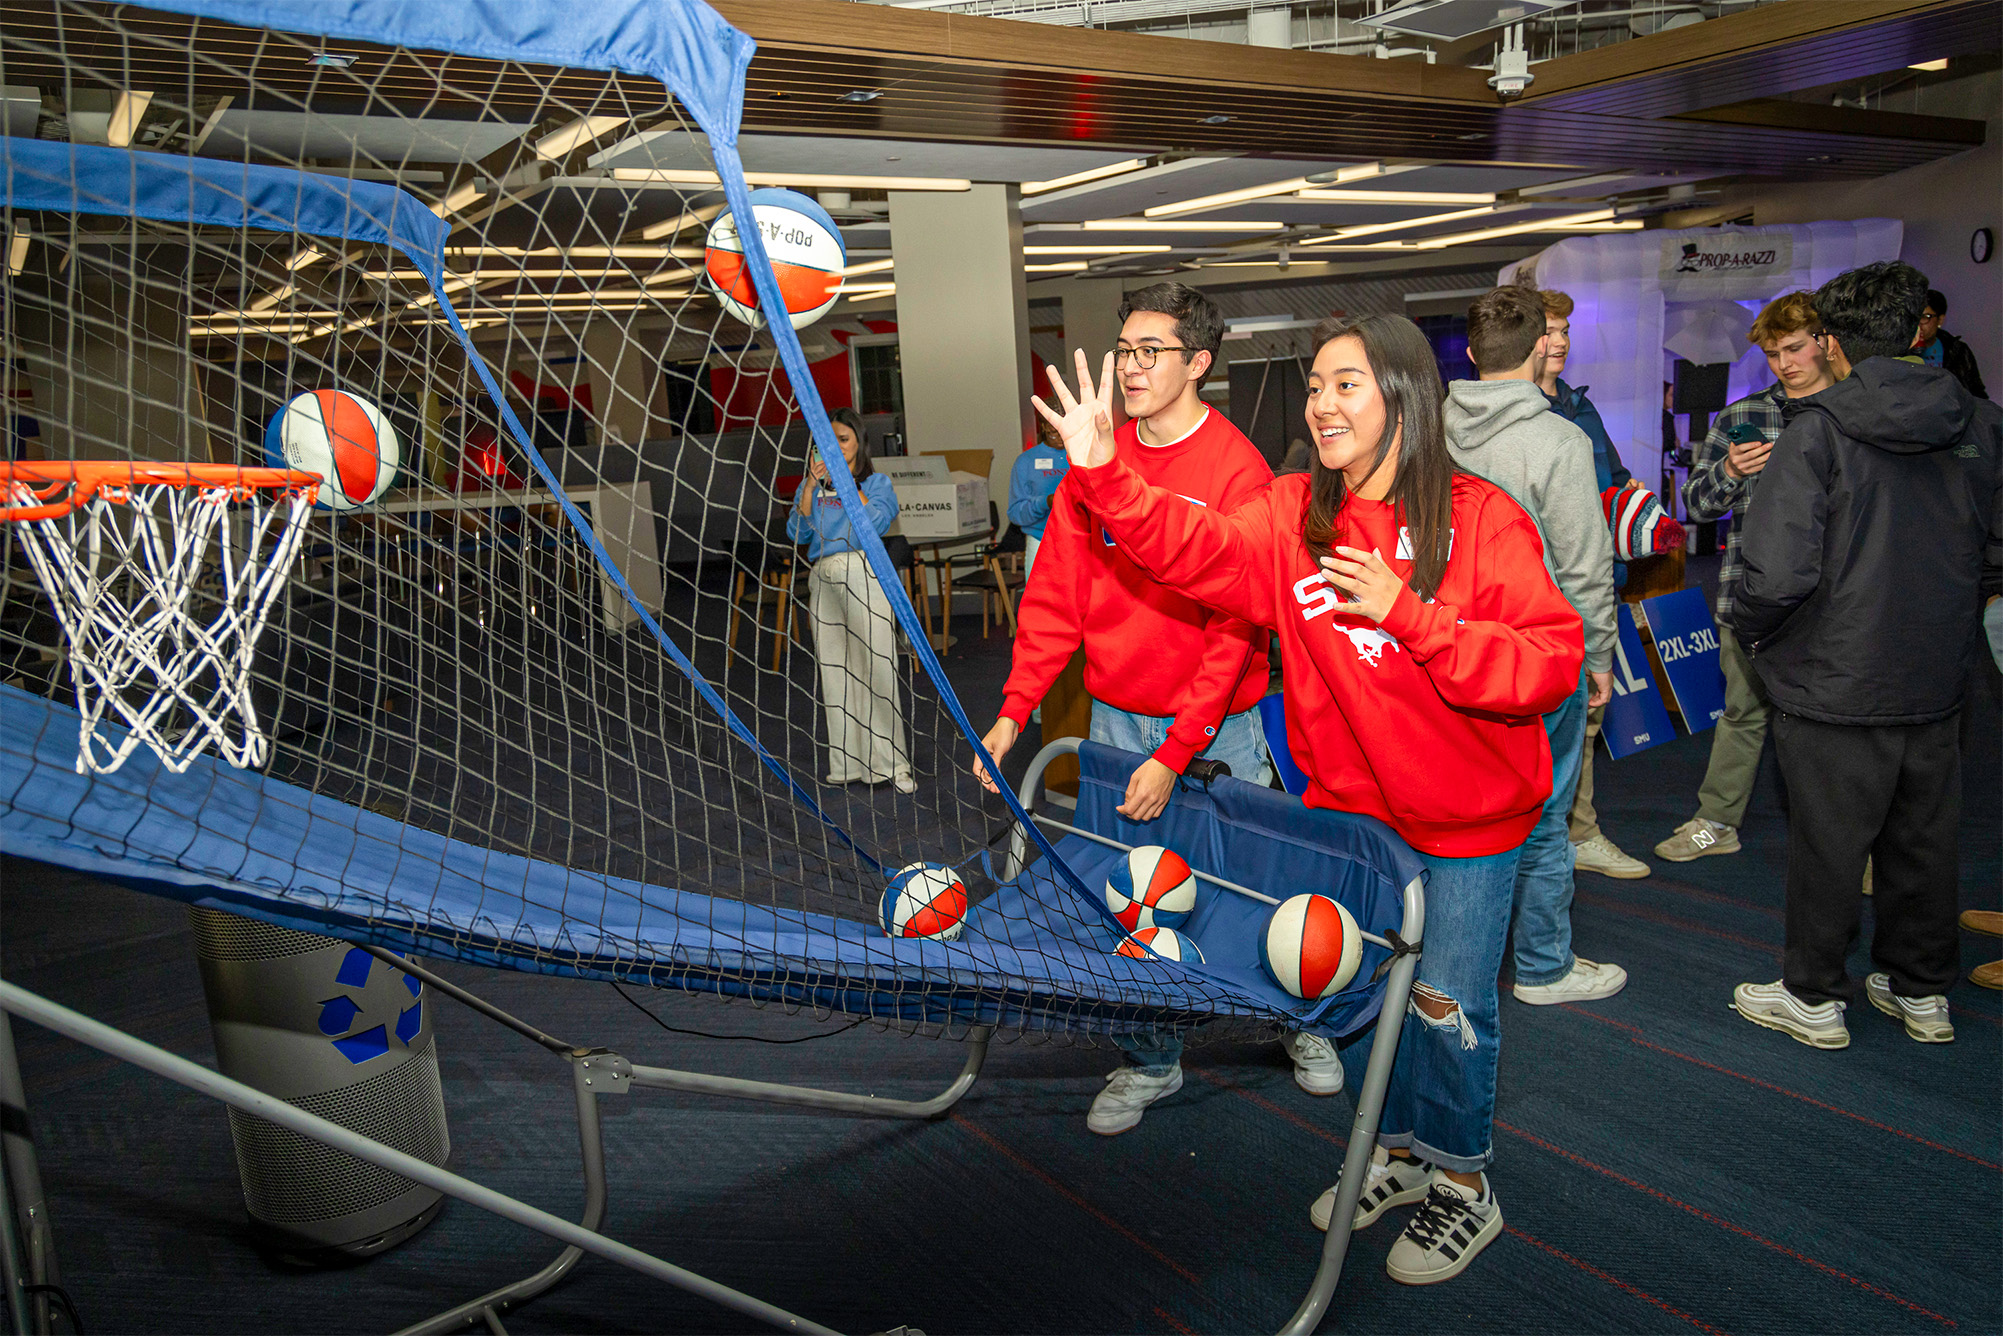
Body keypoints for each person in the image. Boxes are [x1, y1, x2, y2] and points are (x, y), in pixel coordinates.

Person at [1033, 314, 1581, 1286]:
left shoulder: (1479, 517)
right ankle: (1401, 1152)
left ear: (1401, 399)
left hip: (1465, 823)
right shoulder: (1291, 514)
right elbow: (1192, 549)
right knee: (1369, 1003)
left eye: (1345, 385)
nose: (1321, 404)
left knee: (1445, 1008)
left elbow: (1545, 665)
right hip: (1355, 825)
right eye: (1315, 385)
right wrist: (1102, 472)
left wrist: (1407, 614)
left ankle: (1462, 1183)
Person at [974, 282, 1292, 1131]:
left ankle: (1293, 1016)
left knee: (1249, 885)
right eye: (1125, 350)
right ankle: (1151, 1057)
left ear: (1199, 363)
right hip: (1116, 716)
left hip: (1217, 723)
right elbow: (1055, 595)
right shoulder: (1093, 460)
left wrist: (1176, 751)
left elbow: (1236, 629)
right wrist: (1015, 709)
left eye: (1152, 351)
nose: (1133, 366)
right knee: (1132, 896)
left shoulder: (1237, 472)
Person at [1730, 260, 2003, 1050]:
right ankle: (1921, 992)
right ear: (1922, 327)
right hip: (1937, 673)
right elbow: (1995, 552)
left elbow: (1775, 574)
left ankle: (1813, 996)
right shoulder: (1982, 424)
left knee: (1828, 843)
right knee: (1924, 838)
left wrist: (1758, 637)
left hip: (1833, 678)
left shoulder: (1814, 431)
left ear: (1834, 341)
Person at [1448, 286, 1625, 1006]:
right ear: (1537, 352)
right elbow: (1583, 566)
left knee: (1459, 811)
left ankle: (1454, 958)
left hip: (1446, 652)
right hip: (1533, 655)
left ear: (1468, 354)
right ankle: (1544, 966)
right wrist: (1600, 658)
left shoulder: (1426, 427)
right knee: (1544, 813)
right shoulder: (1559, 440)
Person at [1654, 292, 1835, 864]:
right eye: (1775, 353)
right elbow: (1696, 505)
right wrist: (1729, 470)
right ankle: (1717, 822)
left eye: (1796, 348)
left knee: (1841, 730)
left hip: (1838, 601)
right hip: (1751, 594)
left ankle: (1852, 843)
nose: (1786, 363)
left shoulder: (1855, 414)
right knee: (1743, 713)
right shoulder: (1745, 416)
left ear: (1825, 341)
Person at [1533, 289, 1652, 881]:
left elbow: (1616, 480)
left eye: (1565, 331)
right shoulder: (1522, 415)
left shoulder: (1581, 408)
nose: (1558, 342)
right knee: (1551, 729)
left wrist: (1638, 514)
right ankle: (1561, 839)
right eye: (1549, 330)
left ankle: (1578, 832)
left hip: (1594, 582)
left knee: (1587, 721)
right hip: (1542, 594)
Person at [787, 406, 915, 794]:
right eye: (827, 440)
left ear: (859, 443)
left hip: (862, 572)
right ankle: (848, 764)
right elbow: (798, 531)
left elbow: (875, 523)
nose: (834, 446)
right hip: (822, 578)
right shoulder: (813, 484)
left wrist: (845, 484)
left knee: (876, 668)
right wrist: (810, 486)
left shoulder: (877, 484)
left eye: (842, 439)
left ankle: (893, 765)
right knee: (835, 672)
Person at [1006, 413, 1069, 579]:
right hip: (1040, 541)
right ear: (1044, 427)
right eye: (1054, 431)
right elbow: (1015, 513)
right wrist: (1045, 502)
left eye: (1065, 429)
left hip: (1081, 542)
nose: (1060, 437)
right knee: (1040, 602)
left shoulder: (1083, 456)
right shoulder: (1026, 461)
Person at [1913, 288, 1988, 400]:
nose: (1919, 324)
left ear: (1940, 320)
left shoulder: (1957, 351)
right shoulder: (1899, 348)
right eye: (1915, 317)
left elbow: (1977, 393)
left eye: (1925, 317)